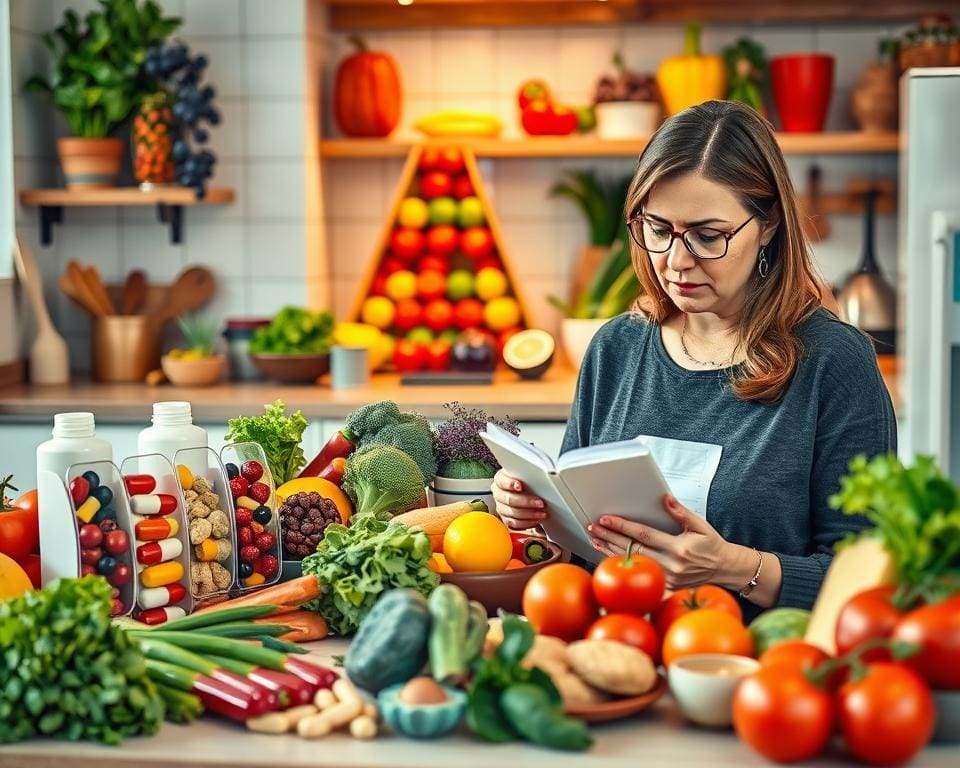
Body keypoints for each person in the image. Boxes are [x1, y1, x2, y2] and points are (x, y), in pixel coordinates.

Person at [492, 100, 895, 620]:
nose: (677, 262)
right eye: (658, 230)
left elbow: (865, 580)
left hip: (762, 675)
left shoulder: (835, 363)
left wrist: (732, 567)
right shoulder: (615, 348)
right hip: (617, 656)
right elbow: (581, 553)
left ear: (768, 223)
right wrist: (540, 517)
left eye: (709, 236)